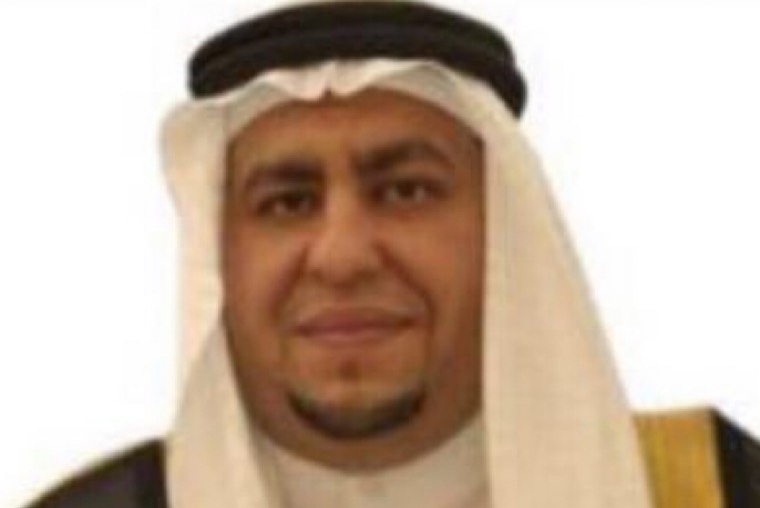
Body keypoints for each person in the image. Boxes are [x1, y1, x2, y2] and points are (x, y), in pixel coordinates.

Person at [24, 1, 760, 508]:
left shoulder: (711, 489)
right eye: (287, 203)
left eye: (406, 191)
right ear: (221, 257)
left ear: (504, 230)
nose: (342, 257)